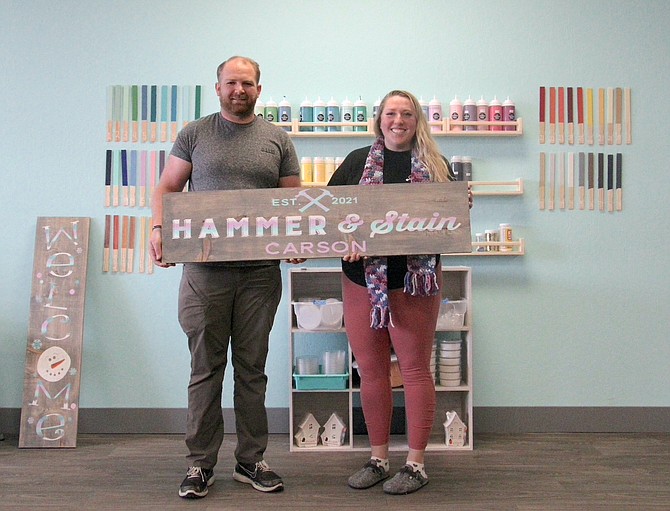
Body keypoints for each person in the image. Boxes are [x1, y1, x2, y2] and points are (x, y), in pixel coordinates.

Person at [149, 56, 302, 499]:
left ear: (259, 89)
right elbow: (167, 189)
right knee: (205, 370)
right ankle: (200, 465)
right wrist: (158, 230)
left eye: (247, 83)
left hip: (259, 275)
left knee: (252, 370)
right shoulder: (194, 134)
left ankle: (251, 461)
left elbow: (293, 202)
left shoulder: (277, 139)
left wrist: (300, 243)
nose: (239, 89)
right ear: (217, 88)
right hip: (204, 274)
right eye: (231, 82)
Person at [328, 90, 472, 495]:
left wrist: (464, 205)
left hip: (414, 282)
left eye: (406, 113)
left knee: (413, 369)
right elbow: (328, 213)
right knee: (371, 372)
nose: (398, 120)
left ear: (417, 120)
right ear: (379, 119)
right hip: (362, 282)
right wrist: (345, 239)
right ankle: (377, 458)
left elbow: (449, 217)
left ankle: (415, 463)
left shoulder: (435, 165)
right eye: (390, 113)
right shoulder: (357, 162)